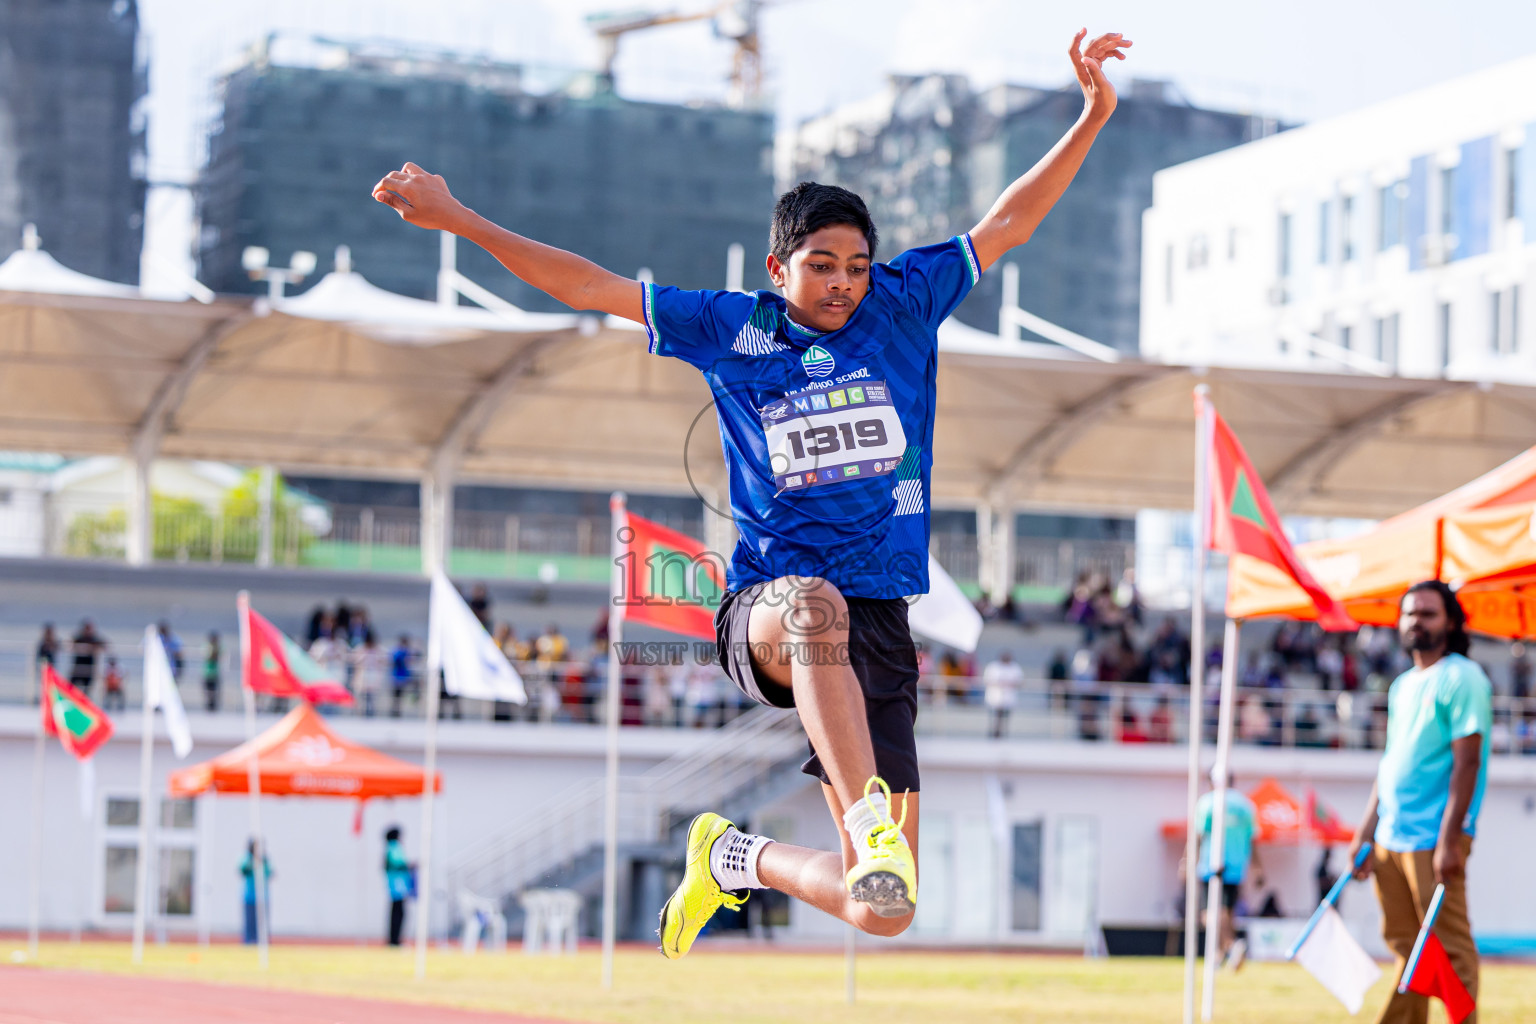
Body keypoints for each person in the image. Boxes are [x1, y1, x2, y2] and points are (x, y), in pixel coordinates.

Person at [372, 27, 1130, 959]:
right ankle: (867, 817)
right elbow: (589, 283)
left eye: (857, 266)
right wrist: (463, 221)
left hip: (882, 619)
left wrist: (1091, 117)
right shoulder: (733, 329)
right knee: (813, 605)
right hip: (768, 610)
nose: (845, 284)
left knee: (885, 904)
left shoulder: (904, 301)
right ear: (778, 268)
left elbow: (1008, 221)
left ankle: (736, 855)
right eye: (822, 266)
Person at [1346, 581, 1489, 1024]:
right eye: (1409, 613)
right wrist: (1364, 831)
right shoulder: (1402, 685)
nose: (1416, 621)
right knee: (1407, 951)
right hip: (1390, 838)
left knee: (1450, 950)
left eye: (1428, 613)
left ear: (1449, 621)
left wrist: (1450, 840)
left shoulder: (1462, 676)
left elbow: (1468, 765)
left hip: (1434, 838)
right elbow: (1390, 764)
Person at [1195, 771, 1259, 972]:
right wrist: (1257, 867)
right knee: (1227, 912)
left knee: (1209, 913)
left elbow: (1198, 834)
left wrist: (1188, 860)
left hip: (1212, 863)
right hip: (1238, 864)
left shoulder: (1208, 802)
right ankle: (1220, 955)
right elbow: (1252, 839)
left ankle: (1231, 945)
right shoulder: (1246, 805)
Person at [982, 651, 1024, 739]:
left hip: (1009, 697)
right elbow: (987, 680)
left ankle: (1003, 733)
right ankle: (994, 732)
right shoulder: (993, 667)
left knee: (1006, 717)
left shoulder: (1015, 667)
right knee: (995, 716)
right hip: (995, 697)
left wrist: (1009, 684)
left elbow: (1019, 682)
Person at [383, 827, 413, 946]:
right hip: (398, 885)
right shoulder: (394, 847)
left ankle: (394, 939)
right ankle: (395, 940)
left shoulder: (390, 848)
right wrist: (411, 866)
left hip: (395, 885)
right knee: (398, 913)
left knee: (396, 912)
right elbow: (399, 864)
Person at [239, 838, 272, 944]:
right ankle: (249, 942)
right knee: (250, 923)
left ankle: (262, 942)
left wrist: (261, 862)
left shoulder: (265, 860)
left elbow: (269, 873)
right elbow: (242, 870)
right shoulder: (247, 858)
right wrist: (253, 862)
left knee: (262, 924)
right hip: (250, 897)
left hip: (263, 897)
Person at [351, 634, 387, 717]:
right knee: (361, 696)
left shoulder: (379, 649)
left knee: (372, 696)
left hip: (374, 674)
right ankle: (360, 713)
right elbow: (354, 661)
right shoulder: (360, 649)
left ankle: (372, 712)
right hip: (362, 674)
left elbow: (385, 661)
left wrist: (378, 660)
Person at [69, 619, 104, 695]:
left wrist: (92, 649)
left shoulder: (94, 639)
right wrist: (81, 648)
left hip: (89, 667)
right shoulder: (79, 638)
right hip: (78, 667)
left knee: (87, 689)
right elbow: (70, 645)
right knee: (71, 687)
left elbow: (104, 647)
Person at [389, 634, 415, 717]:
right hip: (397, 676)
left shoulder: (406, 651)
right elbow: (394, 661)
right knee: (396, 696)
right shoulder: (398, 651)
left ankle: (398, 712)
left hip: (403, 676)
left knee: (401, 696)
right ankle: (394, 712)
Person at [203, 631, 222, 712]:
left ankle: (213, 705)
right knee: (208, 691)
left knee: (215, 691)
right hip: (207, 672)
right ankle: (208, 705)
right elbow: (209, 656)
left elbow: (219, 656)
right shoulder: (207, 646)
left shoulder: (219, 647)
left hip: (215, 672)